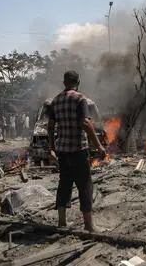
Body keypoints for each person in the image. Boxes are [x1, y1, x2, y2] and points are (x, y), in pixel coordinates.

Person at [47, 70, 106, 232]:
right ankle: (89, 225)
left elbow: (50, 127)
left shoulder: (56, 101)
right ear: (78, 82)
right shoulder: (81, 99)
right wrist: (99, 145)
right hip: (79, 149)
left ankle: (62, 222)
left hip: (62, 151)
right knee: (85, 184)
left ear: (64, 82)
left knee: (64, 183)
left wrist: (51, 148)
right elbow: (86, 124)